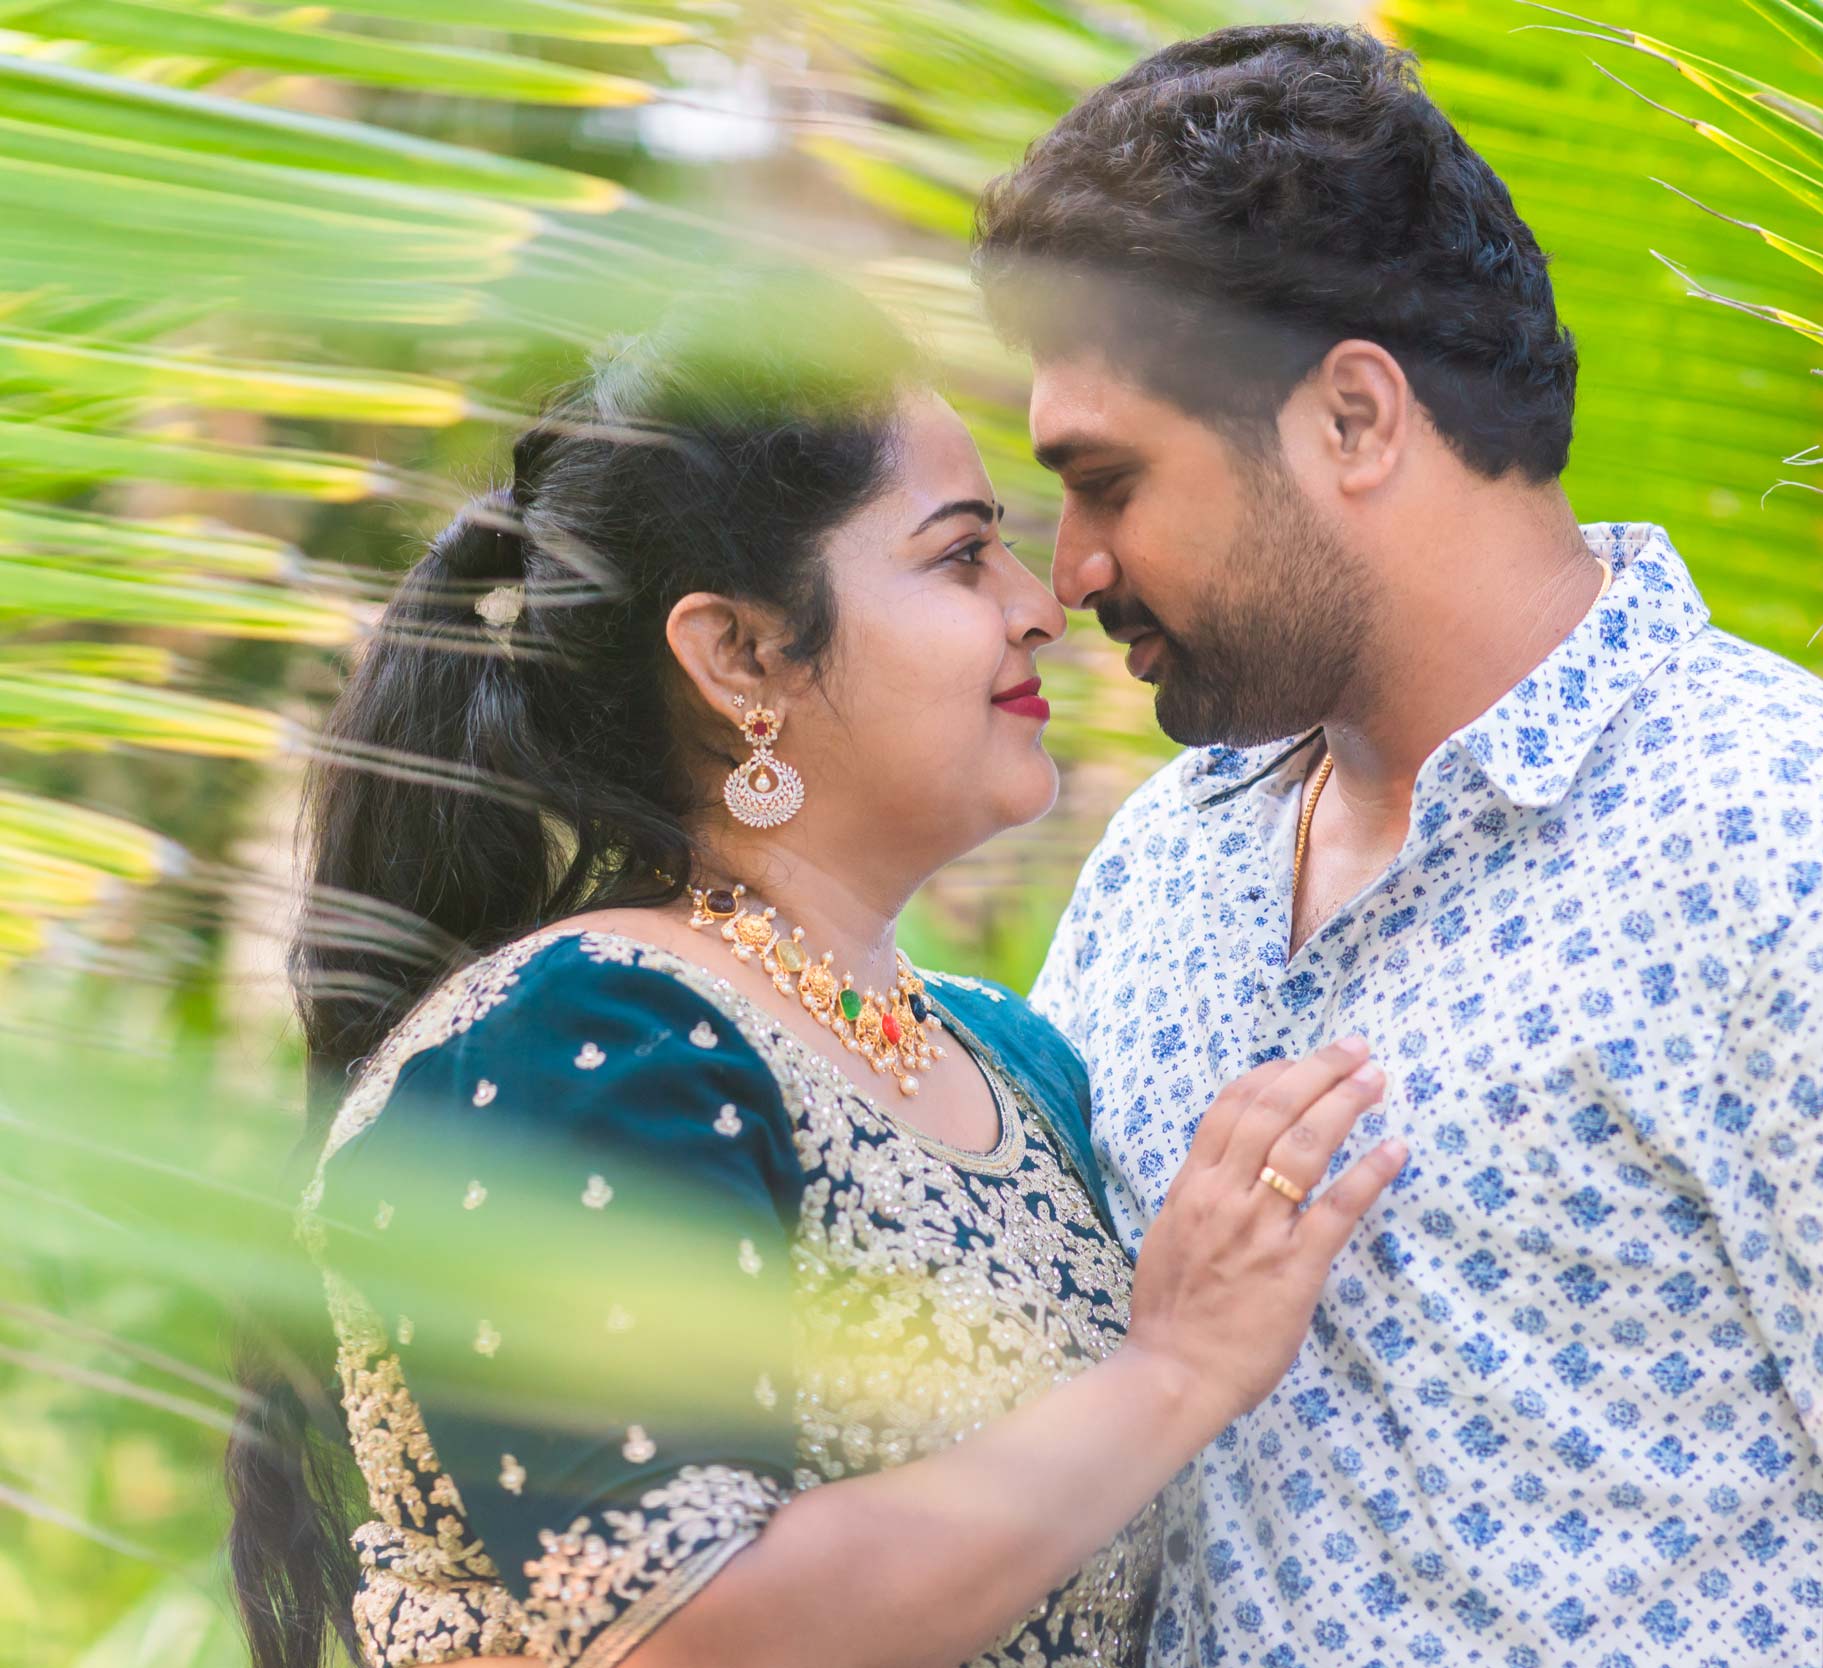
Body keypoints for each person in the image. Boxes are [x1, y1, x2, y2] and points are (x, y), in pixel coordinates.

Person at [978, 23, 1823, 1667]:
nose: (1069, 568)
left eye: (1109, 481)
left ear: (1354, 416)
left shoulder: (1808, 866)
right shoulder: (1166, 866)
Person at [224, 308, 1410, 1668]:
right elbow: (687, 1632)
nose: (1040, 603)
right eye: (960, 554)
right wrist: (1176, 1370)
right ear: (739, 656)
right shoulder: (582, 1038)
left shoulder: (1011, 1059)